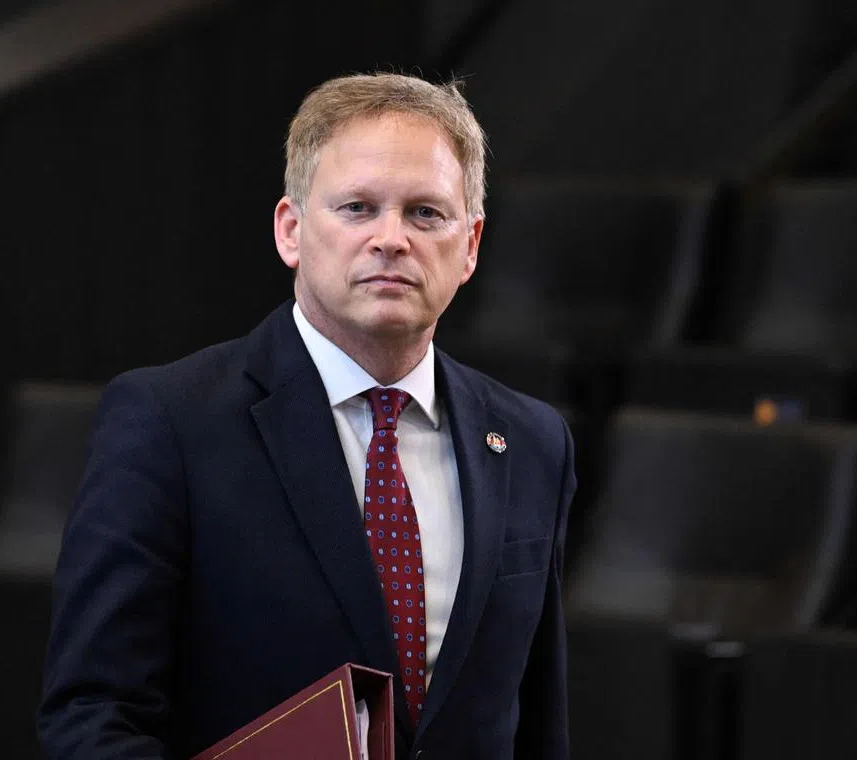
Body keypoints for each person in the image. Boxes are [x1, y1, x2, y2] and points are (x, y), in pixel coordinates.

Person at [37, 72, 576, 760]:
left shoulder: (533, 441)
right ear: (291, 231)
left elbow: (539, 728)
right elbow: (91, 717)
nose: (391, 238)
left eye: (425, 213)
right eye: (357, 208)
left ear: (469, 245)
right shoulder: (171, 423)